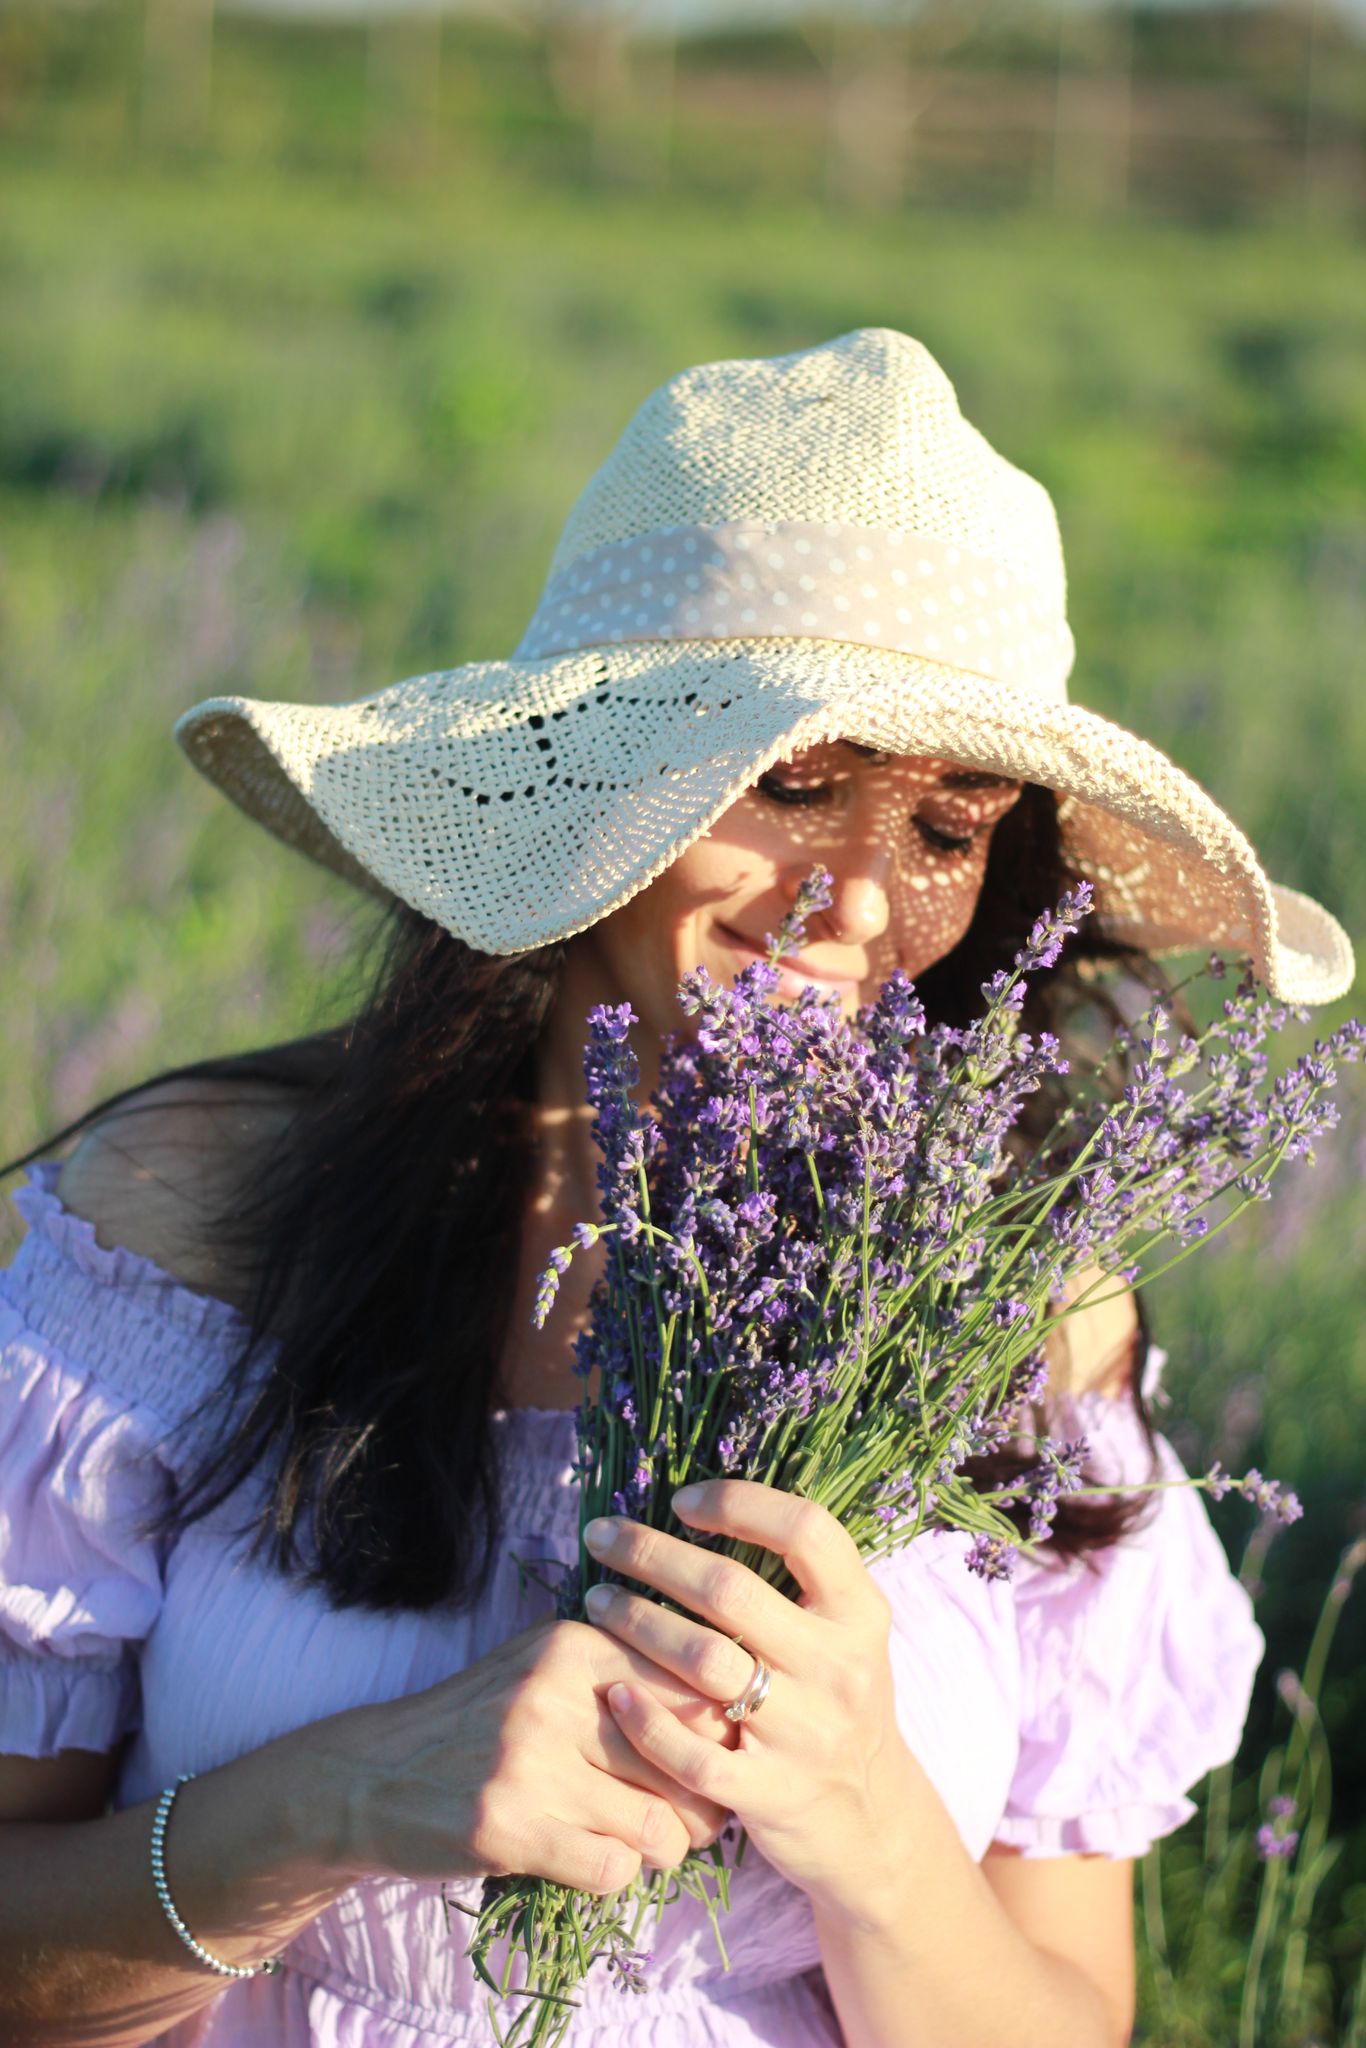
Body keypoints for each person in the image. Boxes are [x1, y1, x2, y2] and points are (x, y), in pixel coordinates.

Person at [0, 328, 1353, 2048]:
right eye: (790, 784)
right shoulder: (192, 1227)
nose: (857, 901)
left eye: (944, 829)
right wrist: (328, 1808)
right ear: (592, 791)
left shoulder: (1019, 1330)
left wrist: (864, 1825)